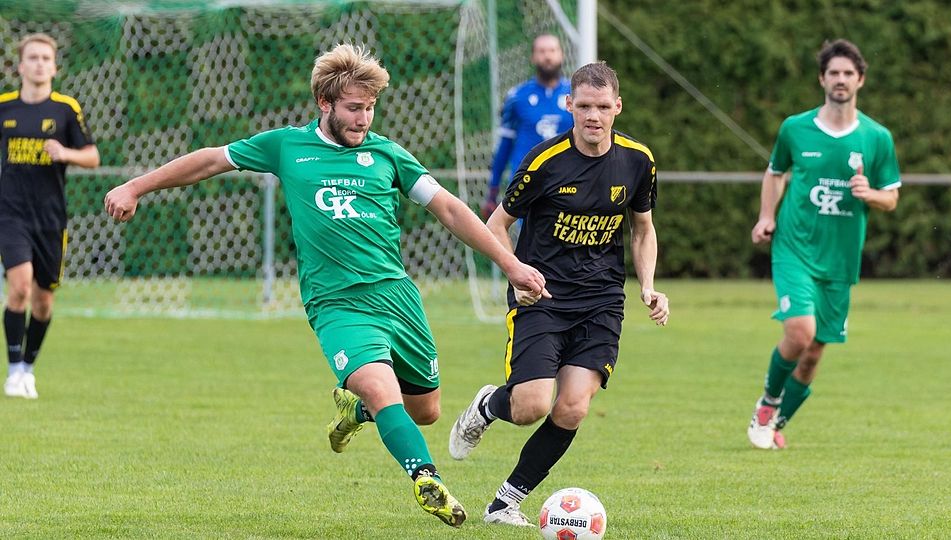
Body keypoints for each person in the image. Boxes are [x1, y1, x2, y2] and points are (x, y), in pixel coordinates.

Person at [103, 43, 548, 528]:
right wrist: (135, 186)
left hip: (398, 299)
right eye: (354, 108)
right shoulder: (287, 146)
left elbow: (449, 209)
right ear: (325, 103)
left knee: (426, 412)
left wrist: (509, 262)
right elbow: (212, 160)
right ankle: (426, 478)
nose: (363, 119)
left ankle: (354, 413)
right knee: (384, 392)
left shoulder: (387, 155)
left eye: (370, 108)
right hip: (336, 304)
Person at [448, 61, 670, 527]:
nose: (593, 115)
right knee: (530, 406)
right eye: (584, 106)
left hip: (602, 301)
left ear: (618, 107)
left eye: (603, 107)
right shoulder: (543, 162)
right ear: (569, 105)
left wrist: (648, 285)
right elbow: (496, 226)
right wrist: (516, 276)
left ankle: (504, 503)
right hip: (542, 298)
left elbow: (643, 230)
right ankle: (490, 405)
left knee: (572, 407)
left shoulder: (638, 161)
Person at [746, 39, 900, 450]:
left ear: (860, 80)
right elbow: (775, 172)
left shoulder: (876, 137)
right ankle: (767, 402)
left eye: (848, 73)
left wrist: (872, 194)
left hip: (840, 260)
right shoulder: (795, 127)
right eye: (833, 72)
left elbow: (892, 196)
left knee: (814, 353)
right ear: (822, 78)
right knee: (799, 332)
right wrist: (767, 216)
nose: (841, 80)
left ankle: (776, 422)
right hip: (794, 248)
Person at [1, 33, 99, 399]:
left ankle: (27, 369)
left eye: (46, 58)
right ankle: (12, 372)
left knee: (43, 302)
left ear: (54, 67)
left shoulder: (65, 109)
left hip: (50, 219)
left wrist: (66, 154)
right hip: (10, 214)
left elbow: (92, 156)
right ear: (20, 65)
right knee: (20, 287)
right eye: (33, 57)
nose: (39, 63)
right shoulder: (4, 108)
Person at [481, 34, 573, 220]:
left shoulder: (577, 95)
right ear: (533, 57)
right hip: (528, 185)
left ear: (562, 55)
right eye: (542, 51)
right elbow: (505, 146)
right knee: (529, 245)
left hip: (568, 182)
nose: (547, 56)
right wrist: (493, 191)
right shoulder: (517, 97)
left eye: (552, 51)